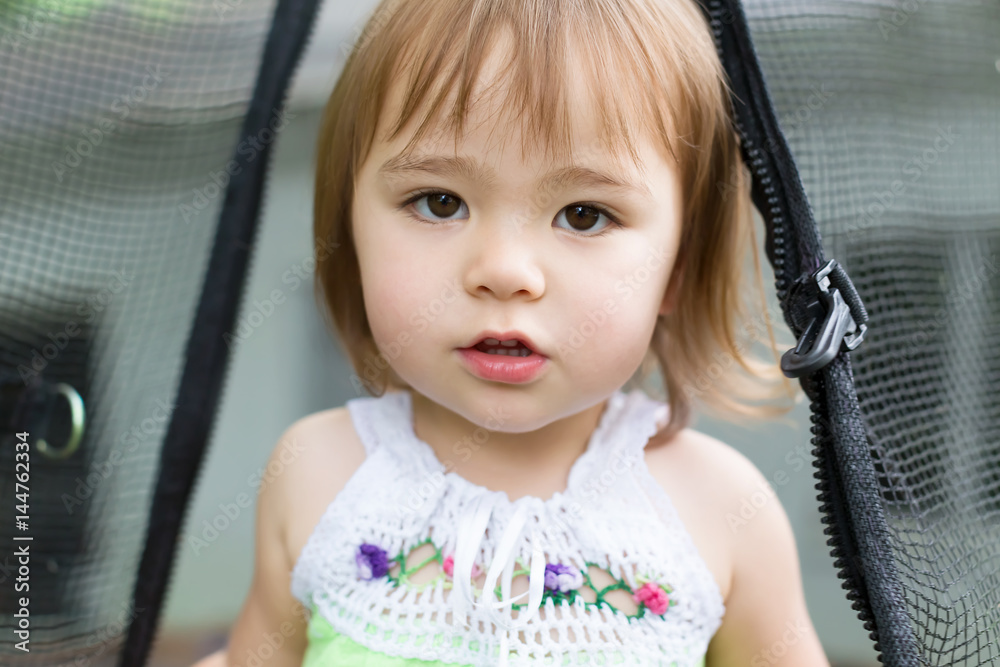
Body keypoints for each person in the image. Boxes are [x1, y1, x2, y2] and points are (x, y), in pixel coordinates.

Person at [194, 0, 832, 664]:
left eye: (584, 214)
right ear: (349, 232)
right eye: (440, 202)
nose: (503, 271)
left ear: (679, 263)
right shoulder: (320, 475)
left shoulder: (719, 509)